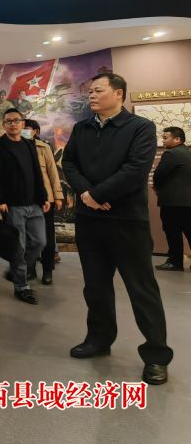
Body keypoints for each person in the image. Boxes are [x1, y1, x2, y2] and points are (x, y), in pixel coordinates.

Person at [63, 72, 172, 385]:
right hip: (89, 221)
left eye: (98, 90)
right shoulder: (82, 128)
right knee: (95, 287)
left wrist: (97, 195)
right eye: (90, 91)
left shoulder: (140, 127)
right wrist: (87, 195)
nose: (91, 96)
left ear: (119, 94)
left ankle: (156, 355)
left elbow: (135, 170)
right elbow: (69, 164)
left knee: (142, 289)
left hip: (127, 221)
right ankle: (99, 339)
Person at [0, 109, 49, 305]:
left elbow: (37, 173)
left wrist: (43, 197)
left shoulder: (28, 144)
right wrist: (0, 200)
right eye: (8, 121)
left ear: (23, 123)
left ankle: (15, 270)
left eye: (16, 120)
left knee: (39, 242)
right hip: (13, 205)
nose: (13, 124)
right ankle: (21, 286)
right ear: (4, 125)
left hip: (34, 203)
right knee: (19, 247)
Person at [23, 119, 64, 284]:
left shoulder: (44, 147)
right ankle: (30, 269)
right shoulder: (15, 147)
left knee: (46, 236)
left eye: (27, 128)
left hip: (45, 199)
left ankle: (48, 270)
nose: (24, 131)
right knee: (27, 237)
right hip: (24, 200)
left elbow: (53, 173)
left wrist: (58, 196)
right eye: (22, 128)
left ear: (36, 131)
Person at [153, 126, 191, 271]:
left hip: (173, 202)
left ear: (177, 139)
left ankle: (175, 262)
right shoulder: (187, 153)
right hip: (187, 202)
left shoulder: (171, 154)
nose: (163, 141)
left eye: (165, 138)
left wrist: (157, 188)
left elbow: (159, 174)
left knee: (172, 232)